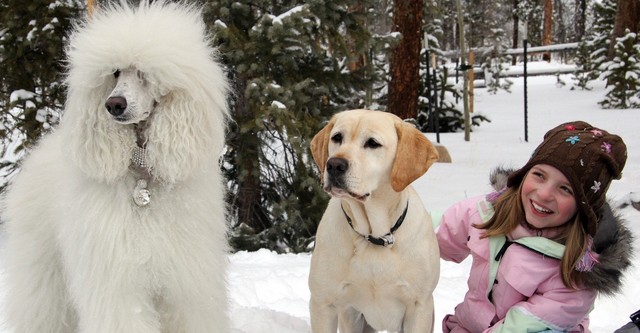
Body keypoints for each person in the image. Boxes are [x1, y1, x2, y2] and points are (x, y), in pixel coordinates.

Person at [436, 121, 633, 332]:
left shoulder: (577, 270)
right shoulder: (487, 211)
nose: (544, 194)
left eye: (566, 189)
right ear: (524, 175)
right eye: (539, 175)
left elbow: (521, 327)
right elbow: (429, 235)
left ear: (583, 207)